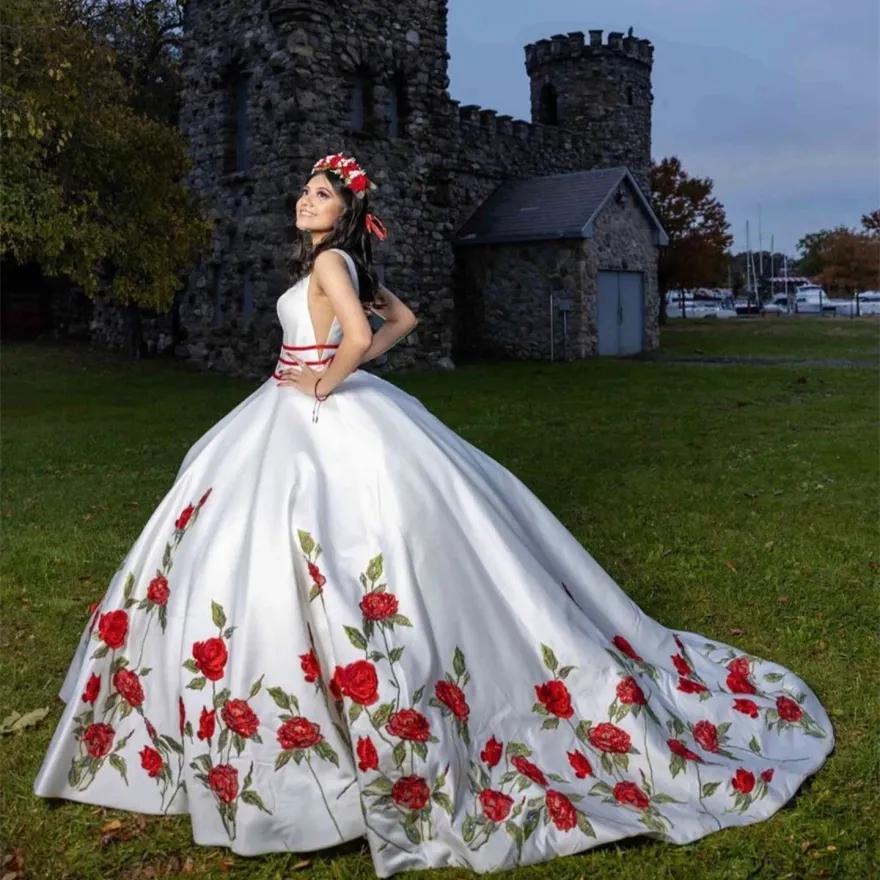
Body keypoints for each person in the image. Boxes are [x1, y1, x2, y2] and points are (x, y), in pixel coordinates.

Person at [34, 154, 833, 877]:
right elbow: (400, 323)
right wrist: (329, 367)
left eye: (319, 194)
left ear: (343, 213)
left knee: (327, 549)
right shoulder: (336, 261)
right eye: (305, 192)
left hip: (311, 410)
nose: (303, 201)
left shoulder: (331, 262)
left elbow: (358, 332)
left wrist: (322, 378)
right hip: (296, 407)